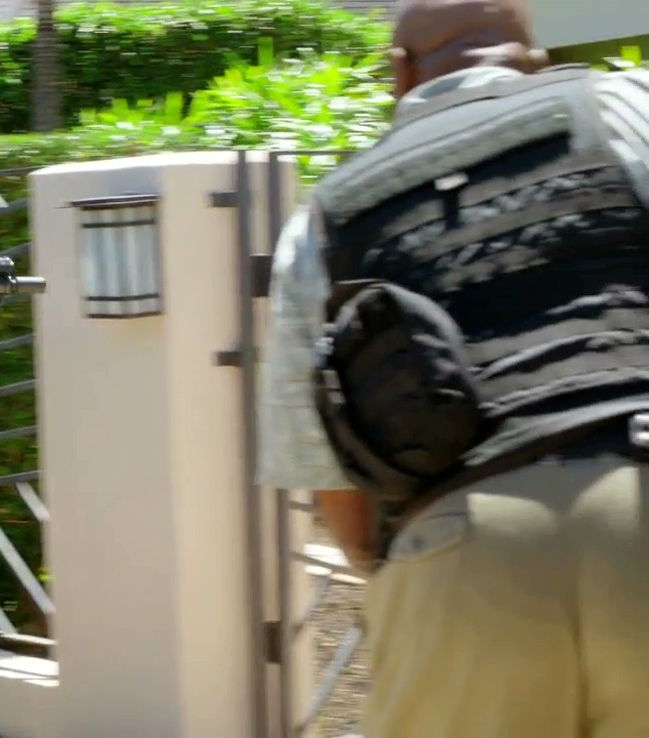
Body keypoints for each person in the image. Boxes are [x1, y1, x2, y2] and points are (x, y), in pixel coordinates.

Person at [258, 1, 649, 736]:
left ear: (398, 73)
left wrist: (424, 572)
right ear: (532, 57)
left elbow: (336, 495)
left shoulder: (325, 219)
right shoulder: (628, 108)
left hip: (459, 551)